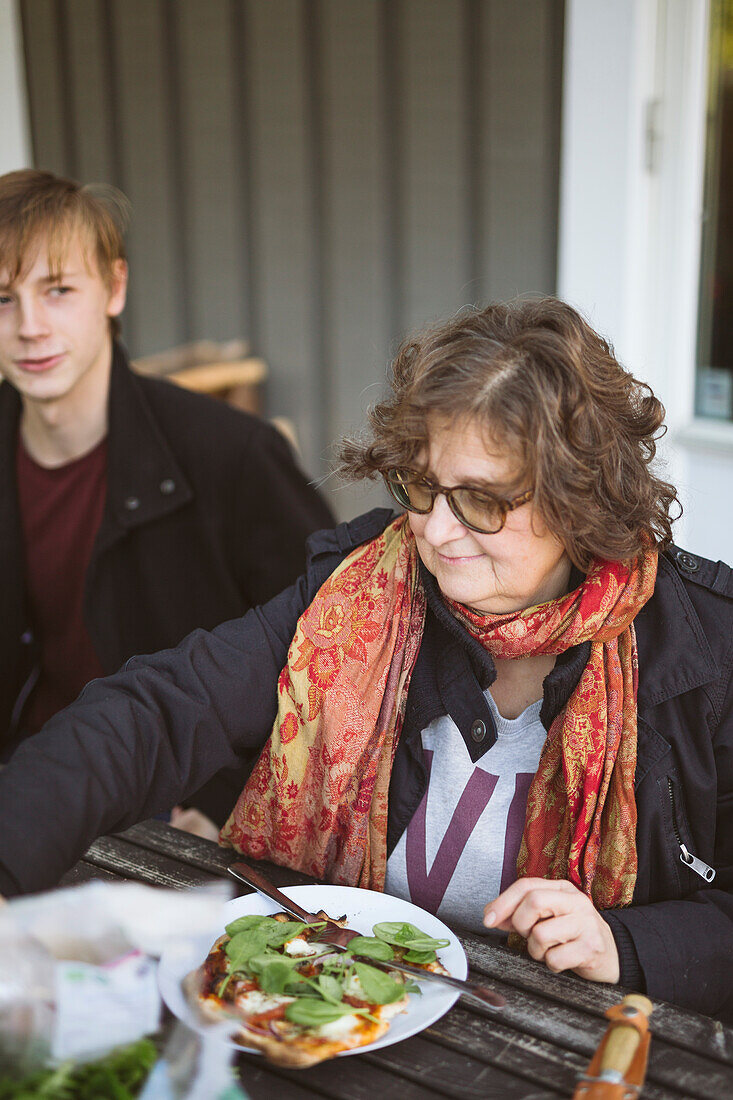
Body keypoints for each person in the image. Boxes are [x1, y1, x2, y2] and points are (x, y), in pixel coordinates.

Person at [0, 297, 731, 1022]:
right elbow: (159, 711)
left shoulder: (706, 654)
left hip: (575, 1046)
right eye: (421, 485)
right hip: (337, 1017)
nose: (437, 531)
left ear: (580, 496)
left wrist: (625, 945)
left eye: (479, 499)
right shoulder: (352, 590)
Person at [0, 168, 333, 826]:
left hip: (172, 809)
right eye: (2, 299)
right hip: (25, 794)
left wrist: (223, 801)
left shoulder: (232, 455)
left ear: (114, 287)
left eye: (58, 289)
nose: (30, 326)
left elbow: (325, 647)